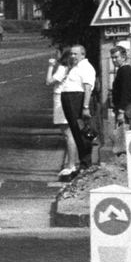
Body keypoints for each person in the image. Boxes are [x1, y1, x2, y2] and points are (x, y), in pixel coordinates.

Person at [47, 44, 97, 179]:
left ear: (83, 54)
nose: (73, 56)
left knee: (81, 133)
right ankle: (82, 164)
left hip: (77, 100)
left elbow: (87, 88)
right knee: (76, 132)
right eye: (72, 54)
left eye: (76, 54)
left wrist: (85, 107)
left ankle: (86, 164)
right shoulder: (76, 67)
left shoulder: (86, 67)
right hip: (70, 99)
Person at [107, 42, 131, 156]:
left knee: (124, 134)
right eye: (112, 58)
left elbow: (126, 92)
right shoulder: (124, 69)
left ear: (123, 57)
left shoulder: (125, 70)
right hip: (125, 106)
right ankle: (123, 160)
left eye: (116, 57)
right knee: (123, 134)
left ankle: (124, 161)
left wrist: (121, 111)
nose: (114, 60)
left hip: (126, 107)